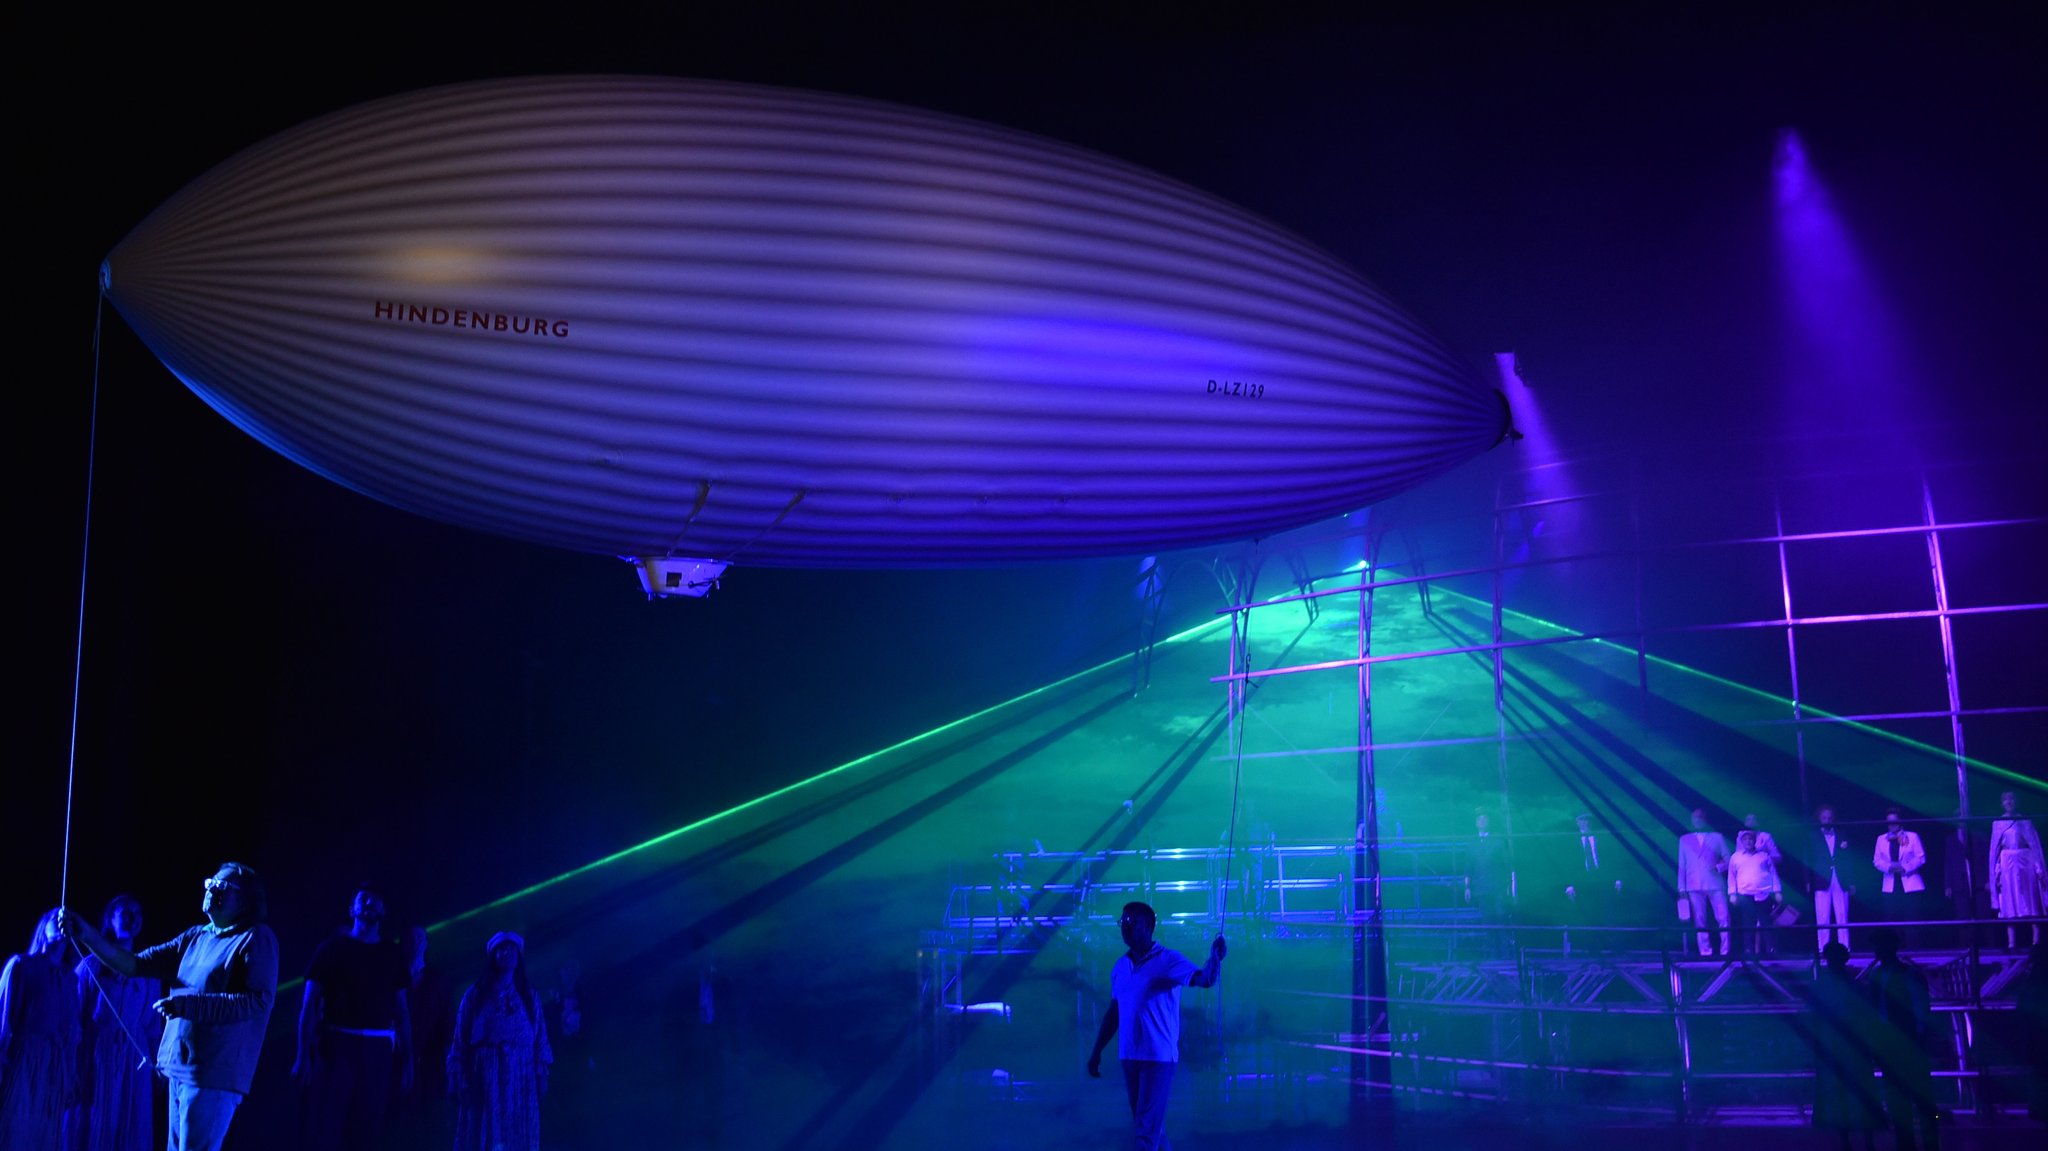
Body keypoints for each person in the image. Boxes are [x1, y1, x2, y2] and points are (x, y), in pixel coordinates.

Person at [59, 862, 279, 1151]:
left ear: (246, 900)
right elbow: (134, 964)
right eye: (210, 882)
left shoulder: (255, 938)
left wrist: (189, 1005)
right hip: (178, 1067)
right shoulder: (196, 936)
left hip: (212, 1072)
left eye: (222, 886)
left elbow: (256, 1002)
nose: (211, 888)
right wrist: (85, 934)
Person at [1087, 902, 1225, 1151]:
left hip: (1157, 1057)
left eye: (1131, 922)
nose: (1125, 928)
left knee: (1146, 1132)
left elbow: (1204, 979)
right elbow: (1114, 1012)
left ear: (1149, 927)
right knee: (1152, 1128)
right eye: (1123, 922)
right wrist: (1096, 1051)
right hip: (1129, 1056)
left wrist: (1214, 960)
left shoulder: (1168, 960)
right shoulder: (1121, 967)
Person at [293, 883, 413, 1151]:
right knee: (326, 1126)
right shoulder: (331, 949)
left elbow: (402, 1012)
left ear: (385, 909)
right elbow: (309, 1006)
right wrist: (302, 1057)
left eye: (376, 899)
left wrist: (407, 1062)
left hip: (377, 1049)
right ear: (352, 909)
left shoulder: (393, 954)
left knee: (367, 1127)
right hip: (336, 1046)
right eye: (364, 898)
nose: (370, 903)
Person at [64, 894, 163, 1151]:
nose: (133, 918)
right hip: (98, 1054)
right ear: (110, 918)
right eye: (125, 912)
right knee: (97, 1119)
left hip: (134, 1058)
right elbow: (73, 1019)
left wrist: (157, 1064)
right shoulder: (90, 967)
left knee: (130, 1124)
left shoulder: (149, 974)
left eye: (137, 913)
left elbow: (152, 1026)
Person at [449, 931, 550, 1151]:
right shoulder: (476, 994)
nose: (507, 953)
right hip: (486, 1070)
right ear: (493, 955)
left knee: (518, 1124)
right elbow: (460, 1035)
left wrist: (541, 1071)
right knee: (486, 1122)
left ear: (519, 955)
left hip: (521, 1072)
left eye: (512, 949)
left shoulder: (528, 995)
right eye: (502, 949)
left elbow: (540, 1034)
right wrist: (458, 1074)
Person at [1, 908, 82, 1151]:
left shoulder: (71, 979)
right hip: (25, 1057)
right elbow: (5, 1018)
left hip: (54, 1065)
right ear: (43, 927)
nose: (61, 923)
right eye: (55, 918)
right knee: (17, 1125)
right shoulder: (22, 966)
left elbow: (71, 1033)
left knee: (45, 1132)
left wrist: (69, 1074)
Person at [1868, 927, 1940, 1151]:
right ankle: (1908, 1142)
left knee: (1917, 1096)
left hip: (1906, 1041)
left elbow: (1920, 1010)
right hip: (1894, 1042)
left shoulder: (1902, 975)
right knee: (1902, 1096)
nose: (1877, 951)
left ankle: (1926, 1142)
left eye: (1880, 946)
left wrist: (1919, 1037)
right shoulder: (1883, 975)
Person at [1805, 941, 1882, 1151]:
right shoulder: (1855, 988)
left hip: (1840, 1048)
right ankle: (1863, 1140)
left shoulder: (1822, 988)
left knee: (1844, 1093)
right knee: (1857, 1092)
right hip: (1846, 1048)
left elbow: (1814, 1021)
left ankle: (1852, 1140)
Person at [391, 924, 455, 1150]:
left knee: (431, 1124)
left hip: (431, 1062)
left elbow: (447, 1022)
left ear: (426, 943)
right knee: (399, 1124)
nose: (416, 941)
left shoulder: (438, 979)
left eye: (420, 937)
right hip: (395, 1062)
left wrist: (448, 1063)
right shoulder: (391, 979)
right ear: (403, 943)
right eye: (411, 937)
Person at [1988, 790, 2046, 949]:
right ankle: (2011, 942)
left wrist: (2038, 867)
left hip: (2025, 863)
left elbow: (2034, 846)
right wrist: (1996, 872)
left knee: (2031, 900)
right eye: (2005, 799)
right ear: (2001, 803)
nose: (2009, 802)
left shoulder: (2025, 821)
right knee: (2009, 902)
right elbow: (1995, 850)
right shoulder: (1998, 823)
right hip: (2007, 865)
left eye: (2011, 799)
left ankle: (2036, 941)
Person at [1676, 809, 1731, 957]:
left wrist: (1719, 866)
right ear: (1692, 820)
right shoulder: (1685, 839)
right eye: (1695, 818)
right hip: (1694, 884)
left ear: (1705, 820)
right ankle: (1705, 950)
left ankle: (1726, 951)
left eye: (1701, 817)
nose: (1698, 820)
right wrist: (1681, 887)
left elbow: (1728, 858)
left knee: (1723, 917)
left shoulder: (1717, 837)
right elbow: (1682, 864)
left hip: (1715, 883)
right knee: (1700, 919)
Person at [1873, 808, 1927, 945]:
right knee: (1892, 922)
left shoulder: (1912, 836)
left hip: (1910, 885)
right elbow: (1877, 860)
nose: (1892, 824)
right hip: (1891, 885)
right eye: (1889, 822)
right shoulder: (1881, 839)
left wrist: (1905, 867)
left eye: (1894, 821)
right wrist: (1890, 867)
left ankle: (1914, 951)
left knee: (1912, 921)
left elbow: (1920, 857)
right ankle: (1895, 952)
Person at [1463, 811, 1513, 956]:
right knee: (1487, 920)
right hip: (1481, 888)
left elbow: (1507, 864)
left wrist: (1510, 884)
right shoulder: (1471, 844)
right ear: (1475, 823)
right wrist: (1467, 887)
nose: (1482, 821)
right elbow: (1468, 867)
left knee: (1501, 917)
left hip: (1497, 887)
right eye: (1479, 819)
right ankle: (1493, 952)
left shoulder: (1497, 841)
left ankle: (1505, 952)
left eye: (1485, 818)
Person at [1726, 829, 1782, 957]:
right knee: (1748, 923)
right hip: (1745, 895)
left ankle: (1771, 949)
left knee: (1766, 922)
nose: (1748, 841)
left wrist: (1777, 891)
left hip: (1763, 894)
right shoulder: (1736, 857)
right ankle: (1748, 950)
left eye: (1750, 839)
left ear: (1755, 841)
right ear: (1741, 841)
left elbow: (1773, 874)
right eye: (1745, 839)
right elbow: (1731, 877)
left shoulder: (1764, 856)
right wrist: (1732, 894)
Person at [1810, 805, 1857, 952]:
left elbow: (1848, 860)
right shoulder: (1813, 836)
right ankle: (1823, 949)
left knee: (1842, 915)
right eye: (1824, 818)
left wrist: (1851, 882)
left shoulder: (1842, 835)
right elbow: (1809, 860)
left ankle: (1845, 947)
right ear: (1819, 819)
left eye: (1829, 817)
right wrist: (1809, 882)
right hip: (1822, 879)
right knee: (1822, 916)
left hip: (1840, 879)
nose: (1827, 820)